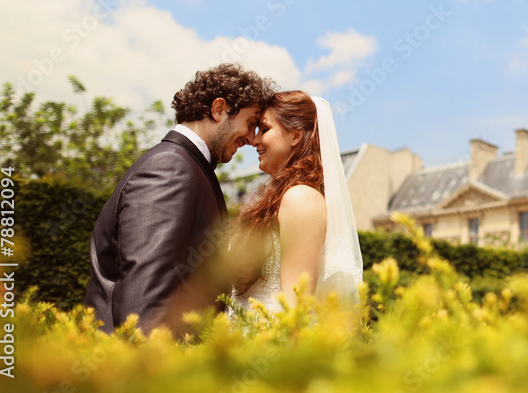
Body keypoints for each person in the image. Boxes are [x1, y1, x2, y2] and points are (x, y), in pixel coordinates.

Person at [84, 64, 275, 334]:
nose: (252, 138)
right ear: (219, 109)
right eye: (251, 123)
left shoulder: (189, 166)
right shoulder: (171, 166)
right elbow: (143, 303)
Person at [230, 91, 362, 314]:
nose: (254, 140)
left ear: (295, 136)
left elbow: (295, 307)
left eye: (265, 129)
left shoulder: (301, 198)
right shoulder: (283, 197)